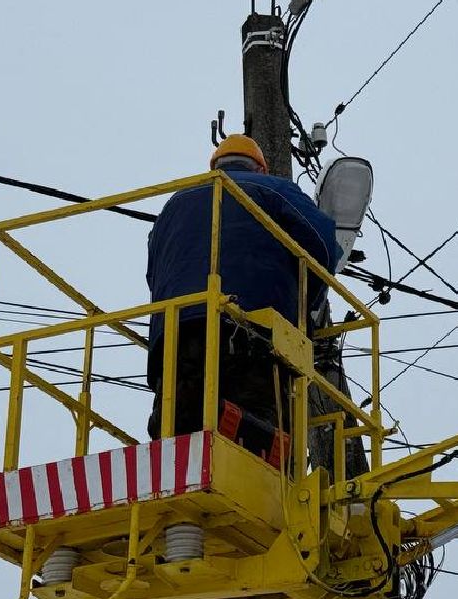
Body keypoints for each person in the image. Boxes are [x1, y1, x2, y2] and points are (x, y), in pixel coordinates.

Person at [145, 136, 342, 454]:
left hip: (175, 338)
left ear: (214, 168)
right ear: (260, 168)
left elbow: (154, 275)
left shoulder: (173, 206)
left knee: (177, 431)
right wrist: (307, 309)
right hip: (251, 333)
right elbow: (322, 245)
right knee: (258, 433)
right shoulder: (274, 189)